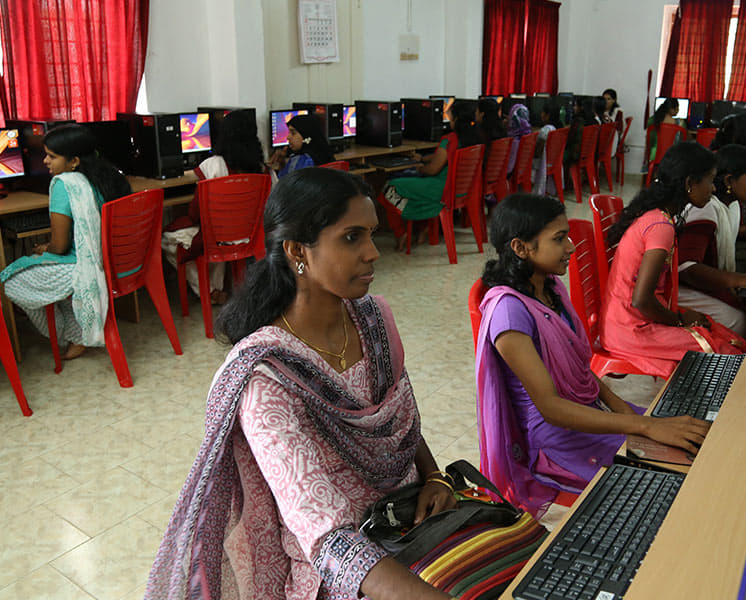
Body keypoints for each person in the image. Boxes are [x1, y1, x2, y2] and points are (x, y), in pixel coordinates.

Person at [146, 168, 455, 600]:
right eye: (352, 238)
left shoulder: (372, 320)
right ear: (296, 251)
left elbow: (398, 418)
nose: (373, 253)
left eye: (371, 234)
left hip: (413, 519)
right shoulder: (266, 379)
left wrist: (436, 477)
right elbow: (326, 537)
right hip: (343, 570)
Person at [476, 193, 710, 518]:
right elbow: (551, 408)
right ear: (521, 247)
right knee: (673, 478)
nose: (571, 247)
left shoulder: (549, 287)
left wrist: (629, 413)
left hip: (585, 413)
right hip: (556, 438)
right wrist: (642, 426)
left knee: (692, 441)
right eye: (559, 239)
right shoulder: (509, 314)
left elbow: (581, 371)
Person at [600, 142, 746, 379]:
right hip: (632, 330)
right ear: (690, 183)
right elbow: (641, 300)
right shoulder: (661, 227)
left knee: (717, 331)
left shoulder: (658, 215)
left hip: (625, 322)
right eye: (710, 180)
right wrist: (679, 320)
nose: (713, 188)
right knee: (725, 352)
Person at [0, 124, 130, 360]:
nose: (45, 161)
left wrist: (46, 249)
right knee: (42, 270)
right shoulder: (111, 176)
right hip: (118, 263)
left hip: (87, 267)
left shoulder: (65, 184)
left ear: (74, 161)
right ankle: (77, 330)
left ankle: (68, 334)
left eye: (52, 156)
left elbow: (59, 247)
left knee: (12, 282)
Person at [677, 145, 746, 336]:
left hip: (697, 281)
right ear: (729, 181)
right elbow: (686, 267)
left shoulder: (732, 205)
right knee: (736, 320)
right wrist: (741, 280)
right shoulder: (706, 208)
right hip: (678, 286)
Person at [162, 110, 265, 303]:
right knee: (215, 234)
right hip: (250, 237)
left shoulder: (213, 165)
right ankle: (216, 288)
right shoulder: (263, 169)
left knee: (168, 239)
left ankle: (209, 291)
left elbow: (195, 213)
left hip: (219, 237)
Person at [378, 101, 481, 250]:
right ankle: (422, 227)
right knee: (410, 183)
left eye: (450, 116)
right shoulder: (473, 138)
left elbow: (432, 170)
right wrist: (422, 158)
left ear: (456, 119)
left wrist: (419, 167)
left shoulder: (449, 139)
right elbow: (443, 156)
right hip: (459, 190)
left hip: (440, 189)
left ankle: (401, 233)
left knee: (390, 186)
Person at [266, 114, 335, 178]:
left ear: (305, 135)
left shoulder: (303, 160)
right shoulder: (323, 154)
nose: (288, 137)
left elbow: (283, 184)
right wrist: (282, 163)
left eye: (293, 133)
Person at [531, 100, 564, 196]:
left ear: (547, 115)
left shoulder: (544, 131)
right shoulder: (560, 128)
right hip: (554, 162)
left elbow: (537, 153)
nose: (541, 114)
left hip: (543, 164)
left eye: (542, 112)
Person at [646, 97, 680, 163]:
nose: (678, 110)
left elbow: (649, 140)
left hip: (653, 155)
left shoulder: (651, 120)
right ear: (671, 109)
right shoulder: (677, 123)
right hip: (670, 156)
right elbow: (678, 141)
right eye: (677, 108)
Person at [506, 103, 532, 176]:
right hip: (523, 172)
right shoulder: (528, 135)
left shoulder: (514, 140)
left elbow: (508, 169)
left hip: (510, 174)